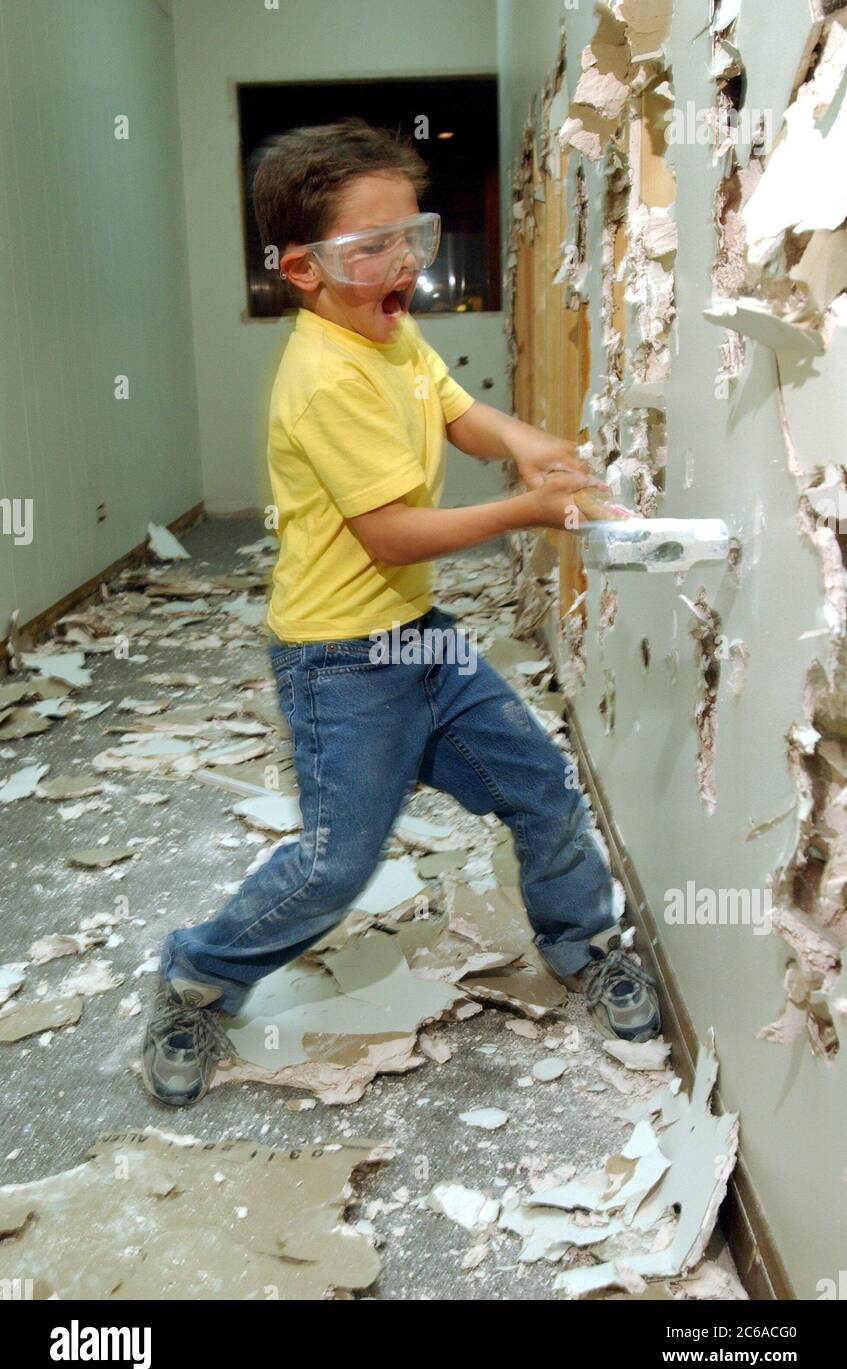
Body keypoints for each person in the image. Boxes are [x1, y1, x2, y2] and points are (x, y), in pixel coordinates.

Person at [141, 117, 661, 1108]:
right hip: (340, 664)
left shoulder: (389, 331)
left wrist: (526, 442)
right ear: (301, 270)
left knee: (540, 787)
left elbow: (457, 409)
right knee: (337, 865)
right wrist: (534, 508)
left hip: (421, 643)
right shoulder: (323, 377)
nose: (402, 266)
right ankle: (194, 975)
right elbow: (392, 535)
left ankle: (583, 947)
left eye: (411, 237)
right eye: (367, 249)